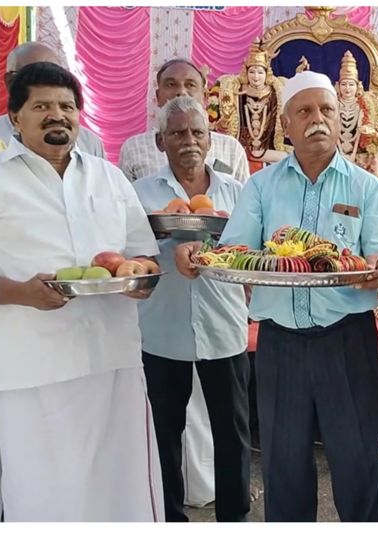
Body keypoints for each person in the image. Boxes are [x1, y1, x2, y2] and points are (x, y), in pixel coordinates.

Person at [175, 70, 378, 522]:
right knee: (283, 469)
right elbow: (236, 252)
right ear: (287, 124)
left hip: (347, 341)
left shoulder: (365, 187)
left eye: (327, 110)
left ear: (340, 120)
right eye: (305, 111)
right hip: (281, 343)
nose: (318, 119)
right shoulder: (262, 186)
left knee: (357, 467)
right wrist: (201, 255)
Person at [0, 62, 163, 521]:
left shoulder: (109, 177)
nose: (57, 115)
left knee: (121, 492)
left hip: (112, 360)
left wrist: (138, 281)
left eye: (67, 106)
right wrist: (19, 292)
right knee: (41, 496)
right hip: (29, 371)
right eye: (42, 106)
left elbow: (143, 254)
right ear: (16, 118)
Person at [132, 95, 250, 521]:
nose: (189, 141)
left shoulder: (238, 193)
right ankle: (168, 519)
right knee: (164, 435)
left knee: (233, 435)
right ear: (160, 141)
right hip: (162, 332)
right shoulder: (140, 194)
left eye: (197, 132)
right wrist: (167, 249)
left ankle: (234, 520)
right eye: (178, 133)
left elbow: (251, 251)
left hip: (224, 329)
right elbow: (131, 251)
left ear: (210, 140)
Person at [119, 58, 249, 182]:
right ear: (158, 97)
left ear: (204, 97)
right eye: (171, 84)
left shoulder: (231, 149)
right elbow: (125, 202)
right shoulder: (134, 148)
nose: (181, 92)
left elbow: (244, 201)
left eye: (190, 85)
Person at [0, 41, 106, 158]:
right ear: (9, 81)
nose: (57, 116)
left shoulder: (90, 143)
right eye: (36, 76)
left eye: (55, 74)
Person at [208, 38, 287, 173]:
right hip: (239, 151)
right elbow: (215, 129)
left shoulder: (277, 92)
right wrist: (226, 118)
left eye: (260, 72)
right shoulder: (231, 90)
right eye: (252, 72)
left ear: (267, 73)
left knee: (287, 158)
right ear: (246, 72)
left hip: (270, 153)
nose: (256, 77)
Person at [334, 50, 378, 198]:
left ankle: (371, 199)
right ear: (338, 85)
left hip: (360, 155)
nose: (347, 88)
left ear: (358, 86)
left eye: (351, 84)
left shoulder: (370, 105)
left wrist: (372, 134)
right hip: (334, 154)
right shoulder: (330, 105)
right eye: (344, 84)